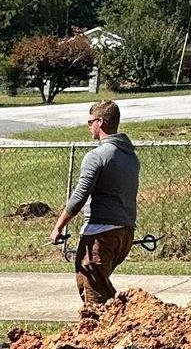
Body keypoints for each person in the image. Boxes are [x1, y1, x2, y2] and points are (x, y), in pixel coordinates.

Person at [51, 99, 138, 307]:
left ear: (100, 122)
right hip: (124, 233)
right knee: (93, 283)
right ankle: (120, 321)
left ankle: (106, 333)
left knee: (94, 296)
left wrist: (58, 226)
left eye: (90, 121)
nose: (88, 126)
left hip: (100, 233)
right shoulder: (131, 156)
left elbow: (80, 195)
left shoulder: (98, 155)